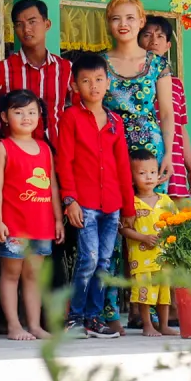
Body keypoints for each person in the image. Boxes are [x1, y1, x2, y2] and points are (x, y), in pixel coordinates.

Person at [56, 53, 135, 339]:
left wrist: (128, 207)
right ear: (75, 86)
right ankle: (75, 317)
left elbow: (123, 167)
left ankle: (93, 318)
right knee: (88, 259)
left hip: (112, 204)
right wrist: (70, 200)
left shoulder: (115, 121)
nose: (94, 86)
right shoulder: (71, 118)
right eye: (86, 81)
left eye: (99, 79)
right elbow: (64, 161)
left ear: (108, 82)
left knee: (104, 263)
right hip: (85, 203)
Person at [0, 90, 62, 341]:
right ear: (4, 116)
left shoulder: (44, 148)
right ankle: (13, 325)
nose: (26, 117)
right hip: (14, 225)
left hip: (41, 224)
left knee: (33, 276)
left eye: (32, 112)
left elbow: (52, 185)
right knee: (11, 275)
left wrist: (57, 218)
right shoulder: (3, 147)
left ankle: (34, 325)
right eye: (18, 112)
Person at [103, 0, 175, 187]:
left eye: (130, 18)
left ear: (141, 21)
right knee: (115, 214)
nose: (123, 24)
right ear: (109, 23)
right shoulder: (99, 65)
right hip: (111, 150)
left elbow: (167, 113)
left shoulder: (158, 64)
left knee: (153, 212)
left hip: (152, 152)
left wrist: (168, 153)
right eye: (116, 18)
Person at [0, 0, 72, 144]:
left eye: (32, 22)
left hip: (57, 154)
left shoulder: (65, 68)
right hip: (16, 157)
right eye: (19, 25)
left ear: (47, 24)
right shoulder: (2, 69)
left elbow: (81, 112)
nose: (26, 29)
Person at [140, 16, 191, 199]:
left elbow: (180, 128)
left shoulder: (176, 85)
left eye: (160, 36)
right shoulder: (130, 81)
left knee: (176, 223)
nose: (153, 41)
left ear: (168, 45)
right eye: (147, 35)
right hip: (142, 165)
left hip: (173, 165)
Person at [121, 150, 178, 337]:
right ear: (132, 176)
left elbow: (176, 224)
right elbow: (123, 229)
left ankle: (163, 325)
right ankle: (147, 325)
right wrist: (143, 238)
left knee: (164, 294)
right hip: (141, 257)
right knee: (144, 294)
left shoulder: (166, 201)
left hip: (163, 258)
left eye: (153, 172)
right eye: (142, 173)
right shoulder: (131, 204)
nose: (149, 177)